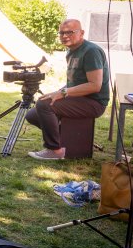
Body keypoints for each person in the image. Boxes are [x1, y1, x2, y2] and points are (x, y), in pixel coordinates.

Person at [25, 19, 109, 160]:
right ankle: (69, 140)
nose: (64, 36)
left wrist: (63, 93)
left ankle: (55, 150)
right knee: (32, 115)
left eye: (70, 32)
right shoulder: (71, 51)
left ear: (81, 33)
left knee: (44, 105)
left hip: (94, 102)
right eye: (61, 33)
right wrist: (56, 93)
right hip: (79, 98)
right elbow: (73, 82)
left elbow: (95, 85)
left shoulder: (91, 51)